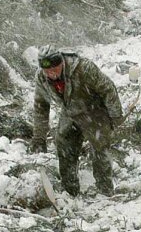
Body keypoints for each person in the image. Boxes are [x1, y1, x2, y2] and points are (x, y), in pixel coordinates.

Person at [31, 47, 123, 196]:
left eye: (55, 68)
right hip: (70, 112)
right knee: (63, 145)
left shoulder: (84, 68)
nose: (51, 73)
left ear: (62, 62)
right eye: (47, 70)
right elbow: (41, 107)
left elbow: (108, 88)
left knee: (100, 149)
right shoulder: (41, 78)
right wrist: (39, 137)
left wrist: (115, 115)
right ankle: (70, 190)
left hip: (94, 111)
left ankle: (105, 191)